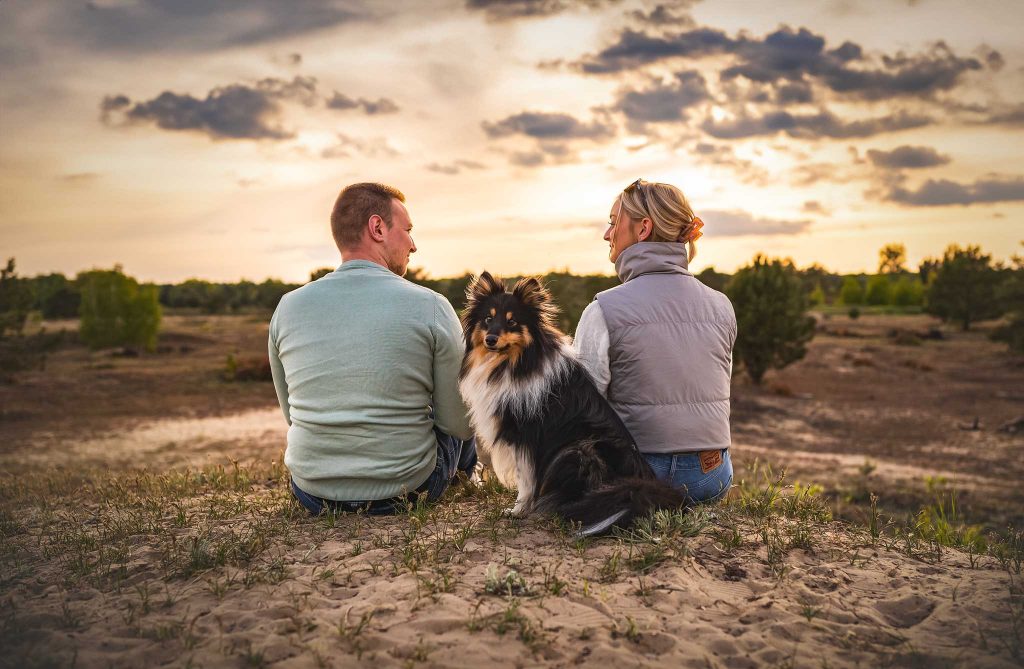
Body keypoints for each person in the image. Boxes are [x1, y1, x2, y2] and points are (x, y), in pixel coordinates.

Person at [268, 182, 476, 515]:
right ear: (377, 228)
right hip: (408, 489)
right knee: (463, 396)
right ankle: (468, 477)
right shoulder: (432, 305)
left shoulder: (287, 307)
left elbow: (292, 416)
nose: (414, 245)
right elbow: (461, 426)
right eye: (408, 231)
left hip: (313, 493)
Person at [573, 179, 736, 503]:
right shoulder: (722, 306)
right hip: (711, 477)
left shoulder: (603, 309)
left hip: (637, 477)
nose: (607, 234)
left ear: (643, 228)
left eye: (613, 222)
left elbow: (582, 410)